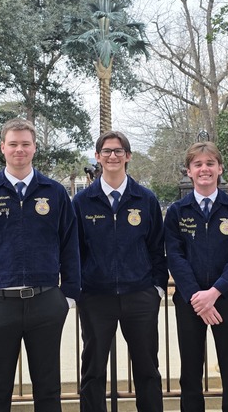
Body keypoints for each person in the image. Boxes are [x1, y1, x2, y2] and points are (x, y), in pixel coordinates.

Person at [0, 118, 80, 412]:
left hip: (46, 301)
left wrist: (69, 295)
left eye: (25, 144)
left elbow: (70, 244)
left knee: (48, 387)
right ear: (3, 148)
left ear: (34, 148)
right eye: (13, 144)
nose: (19, 150)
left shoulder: (55, 192)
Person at [72, 130, 166, 412]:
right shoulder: (82, 202)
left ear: (128, 156)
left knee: (148, 369)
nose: (113, 156)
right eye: (107, 151)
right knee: (93, 369)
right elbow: (74, 251)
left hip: (140, 296)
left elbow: (157, 248)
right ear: (98, 157)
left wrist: (157, 290)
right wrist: (80, 290)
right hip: (96, 297)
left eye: (118, 151)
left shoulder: (145, 199)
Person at [164, 141, 228, 412]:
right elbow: (175, 257)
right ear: (188, 171)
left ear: (220, 168)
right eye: (198, 164)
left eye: (210, 163)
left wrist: (214, 293)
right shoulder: (177, 212)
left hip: (224, 299)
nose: (204, 169)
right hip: (189, 302)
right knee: (190, 371)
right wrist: (196, 296)